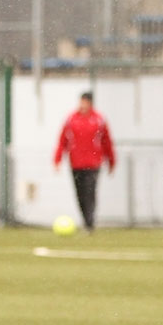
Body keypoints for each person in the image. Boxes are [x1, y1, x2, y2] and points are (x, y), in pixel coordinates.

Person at [54, 91, 115, 232]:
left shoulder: (99, 119)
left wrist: (111, 161)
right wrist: (57, 159)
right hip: (76, 163)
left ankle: (89, 222)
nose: (82, 104)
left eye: (85, 102)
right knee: (80, 194)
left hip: (93, 164)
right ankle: (86, 221)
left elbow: (107, 142)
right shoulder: (71, 119)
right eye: (81, 101)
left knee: (90, 192)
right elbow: (63, 140)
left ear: (90, 103)